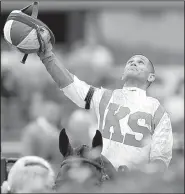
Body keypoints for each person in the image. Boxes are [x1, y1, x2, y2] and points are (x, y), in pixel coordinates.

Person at [37, 28, 173, 173]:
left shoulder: (157, 109)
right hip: (104, 178)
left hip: (135, 181)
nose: (134, 63)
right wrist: (47, 55)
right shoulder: (104, 97)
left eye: (141, 62)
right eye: (130, 62)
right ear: (122, 74)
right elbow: (70, 84)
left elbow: (161, 158)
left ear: (151, 77)